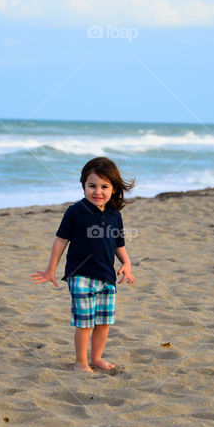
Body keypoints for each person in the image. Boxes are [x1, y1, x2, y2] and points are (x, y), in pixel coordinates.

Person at [31, 156, 136, 373]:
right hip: (80, 275)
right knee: (85, 322)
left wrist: (127, 263)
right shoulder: (75, 212)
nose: (98, 191)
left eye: (104, 186)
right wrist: (51, 269)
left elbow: (119, 244)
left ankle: (96, 358)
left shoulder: (115, 215)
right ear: (83, 186)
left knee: (103, 322)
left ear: (114, 188)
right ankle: (81, 362)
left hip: (107, 277)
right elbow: (61, 240)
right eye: (92, 186)